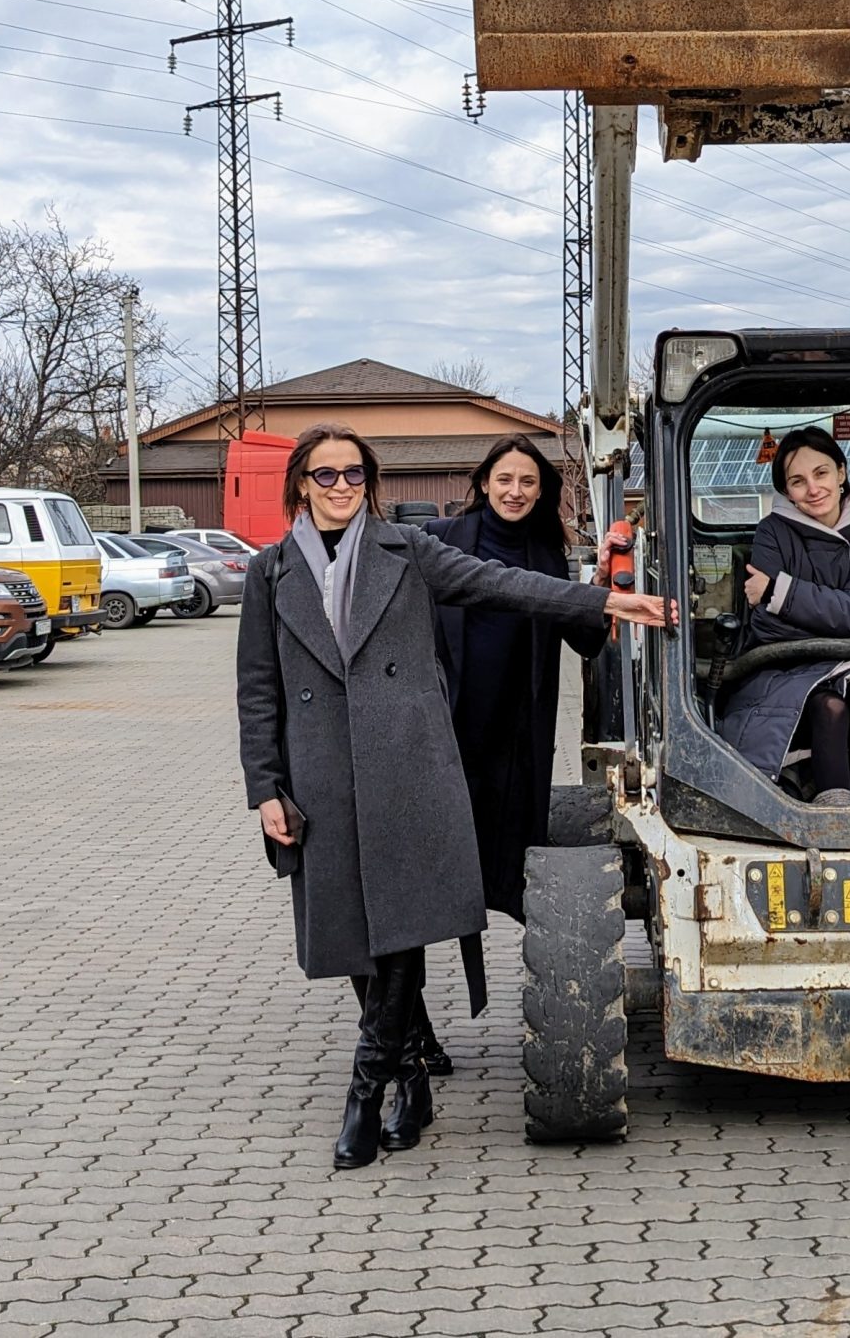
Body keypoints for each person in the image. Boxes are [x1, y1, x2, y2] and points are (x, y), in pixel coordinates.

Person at [235, 422, 672, 1171]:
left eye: (353, 475)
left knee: (402, 927)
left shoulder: (409, 553)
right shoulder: (271, 573)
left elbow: (503, 584)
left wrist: (600, 603)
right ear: (300, 485)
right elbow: (258, 687)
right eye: (325, 475)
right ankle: (411, 1074)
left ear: (369, 483)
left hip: (407, 765)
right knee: (351, 935)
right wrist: (266, 786)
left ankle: (365, 1093)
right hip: (322, 779)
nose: (341, 488)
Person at [424, 436, 607, 920]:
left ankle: (504, 903)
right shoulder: (441, 538)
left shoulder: (547, 552)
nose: (515, 491)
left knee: (512, 830)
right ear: (485, 482)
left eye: (528, 481)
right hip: (453, 714)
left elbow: (583, 639)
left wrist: (602, 589)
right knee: (447, 825)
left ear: (541, 490)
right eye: (504, 479)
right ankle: (442, 912)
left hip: (519, 720)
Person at [715, 425, 850, 803]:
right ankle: (833, 808)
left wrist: (778, 592)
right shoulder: (772, 532)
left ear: (841, 472)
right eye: (798, 481)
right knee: (829, 704)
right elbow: (769, 626)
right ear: (787, 491)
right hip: (783, 668)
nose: (813, 489)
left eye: (821, 473)